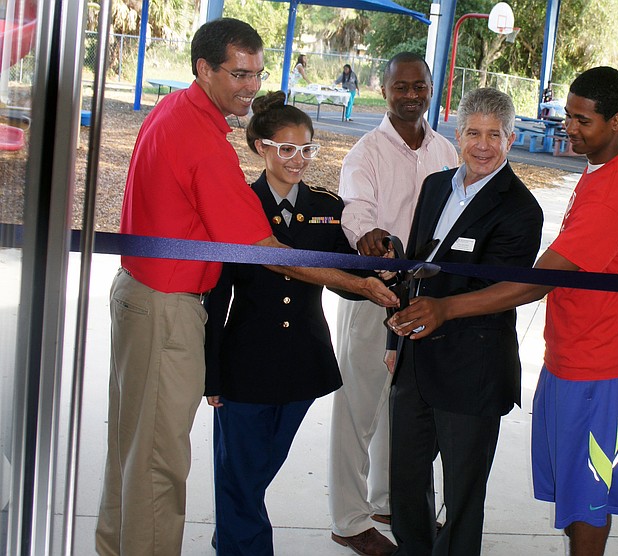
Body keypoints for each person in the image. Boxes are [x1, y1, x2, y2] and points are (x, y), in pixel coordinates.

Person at [95, 19, 395, 556]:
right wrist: (360, 284)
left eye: (256, 73)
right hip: (166, 308)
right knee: (159, 463)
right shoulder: (200, 141)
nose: (250, 86)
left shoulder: (174, 114)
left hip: (143, 297)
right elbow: (266, 253)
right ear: (202, 68)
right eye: (238, 73)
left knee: (134, 451)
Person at [389, 66, 618, 556]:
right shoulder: (599, 174)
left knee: (589, 493)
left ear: (616, 122)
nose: (568, 127)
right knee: (573, 489)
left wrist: (445, 308)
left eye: (582, 120)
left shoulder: (613, 190)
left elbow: (535, 281)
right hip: (571, 356)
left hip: (602, 364)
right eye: (568, 115)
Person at [388, 87, 543, 556]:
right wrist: (394, 341)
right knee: (406, 484)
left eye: (494, 135)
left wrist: (444, 310)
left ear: (511, 139)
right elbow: (415, 265)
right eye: (473, 132)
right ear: (458, 135)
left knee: (463, 496)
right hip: (414, 361)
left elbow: (504, 292)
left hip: (472, 370)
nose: (482, 144)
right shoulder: (436, 185)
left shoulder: (521, 209)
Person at [204, 95, 353, 552]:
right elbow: (217, 297)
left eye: (307, 149)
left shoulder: (328, 207)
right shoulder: (238, 205)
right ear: (259, 148)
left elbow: (346, 278)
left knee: (253, 470)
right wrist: (211, 373)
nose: (298, 160)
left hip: (302, 362)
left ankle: (230, 538)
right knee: (241, 473)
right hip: (245, 363)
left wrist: (380, 266)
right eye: (286, 149)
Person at [329, 52, 457, 556]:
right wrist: (369, 236)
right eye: (400, 87)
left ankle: (386, 501)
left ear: (431, 89)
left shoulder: (447, 151)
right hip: (375, 293)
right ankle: (348, 516)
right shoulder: (365, 152)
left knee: (402, 404)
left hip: (427, 300)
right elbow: (356, 209)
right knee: (357, 409)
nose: (410, 95)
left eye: (419, 86)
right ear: (383, 91)